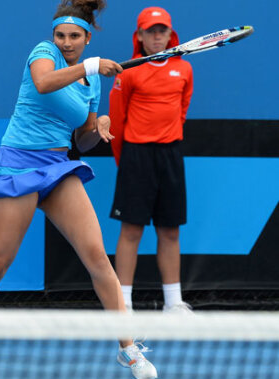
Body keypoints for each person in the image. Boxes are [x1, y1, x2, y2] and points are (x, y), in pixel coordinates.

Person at [0, 1, 157, 379]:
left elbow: (83, 139)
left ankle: (128, 350)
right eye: (61, 35)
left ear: (87, 37)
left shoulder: (91, 81)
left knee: (97, 256)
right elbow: (44, 84)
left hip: (58, 167)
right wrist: (91, 65)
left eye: (74, 37)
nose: (66, 42)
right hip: (17, 165)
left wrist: (100, 125)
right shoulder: (44, 53)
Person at [108, 7, 194, 315]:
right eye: (151, 31)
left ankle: (173, 303)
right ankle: (124, 303)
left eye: (162, 30)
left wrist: (168, 138)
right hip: (136, 156)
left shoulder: (184, 69)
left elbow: (181, 111)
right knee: (131, 229)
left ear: (171, 35)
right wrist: (126, 161)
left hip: (170, 154)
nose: (157, 36)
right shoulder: (128, 72)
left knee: (170, 231)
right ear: (140, 36)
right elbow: (117, 122)